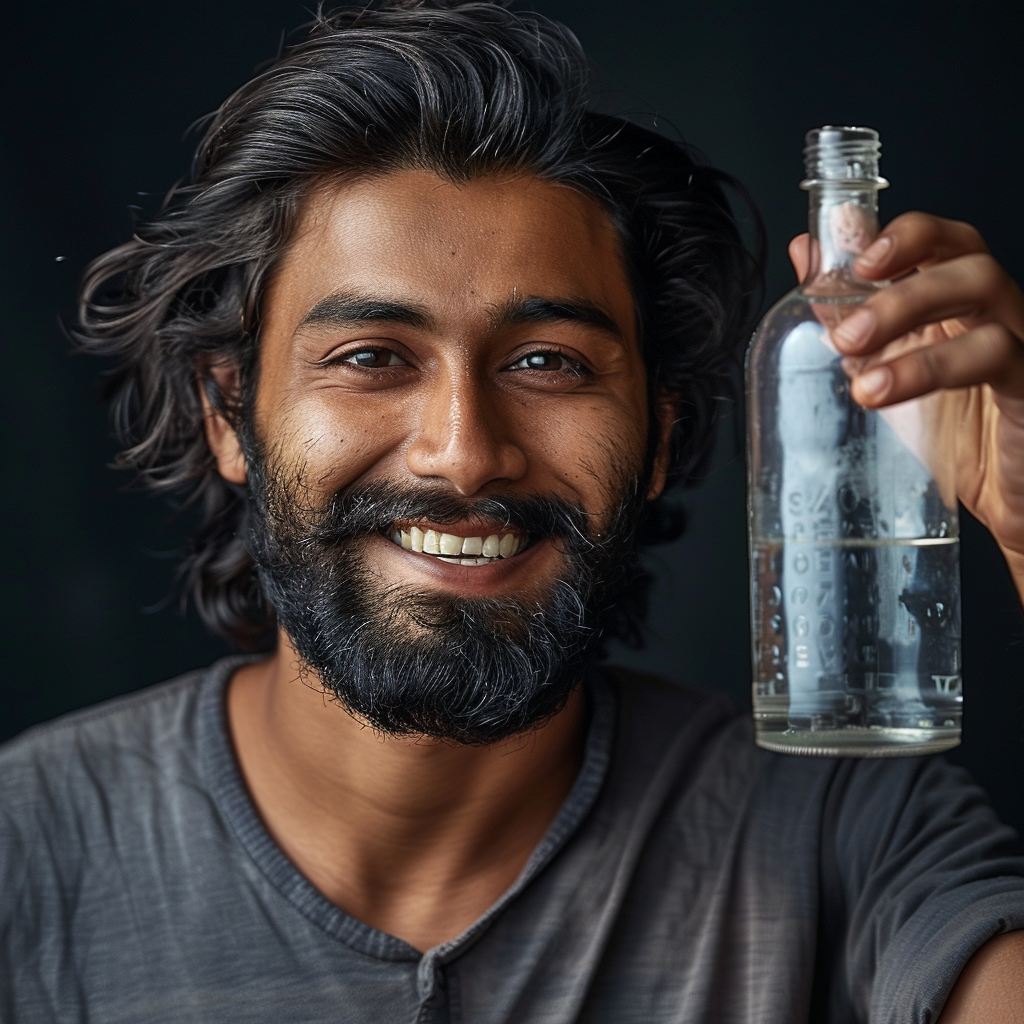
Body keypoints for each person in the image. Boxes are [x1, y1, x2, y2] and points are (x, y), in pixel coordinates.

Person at [2, 2, 1023, 1021]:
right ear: (229, 413)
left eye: (547, 362)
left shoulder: (848, 830)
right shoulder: (26, 849)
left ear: (661, 434)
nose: (465, 452)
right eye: (371, 358)